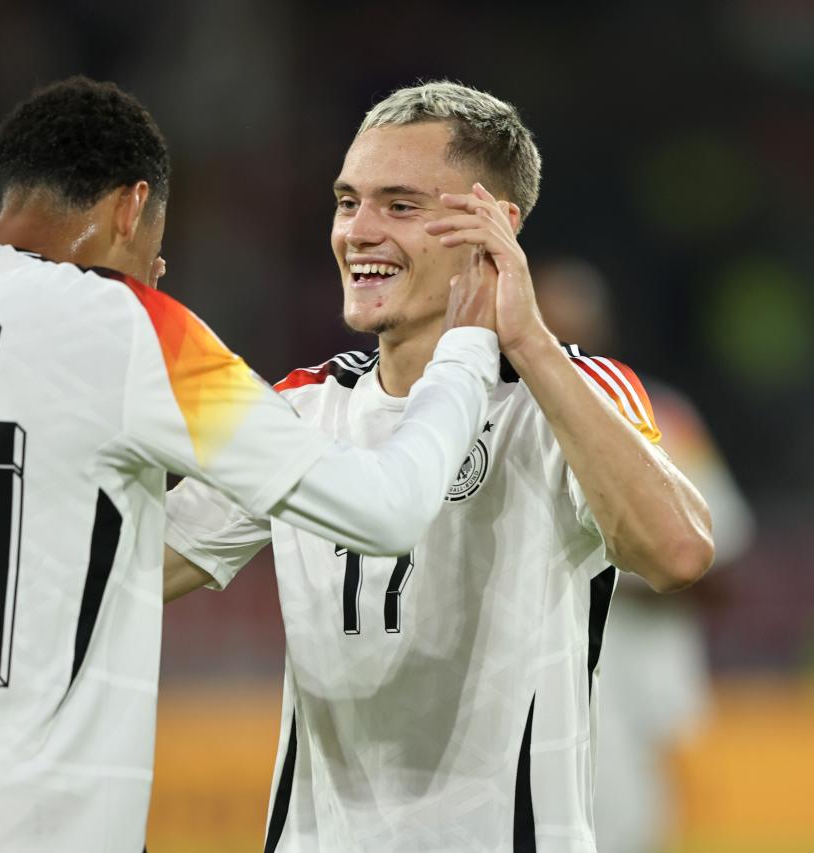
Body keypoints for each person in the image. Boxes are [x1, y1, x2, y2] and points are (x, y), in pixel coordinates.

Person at [0, 76, 504, 853]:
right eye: (155, 245)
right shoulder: (129, 325)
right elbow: (385, 508)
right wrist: (465, 352)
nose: (157, 267)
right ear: (130, 209)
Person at [162, 81, 715, 852]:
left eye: (400, 205)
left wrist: (527, 341)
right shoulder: (300, 408)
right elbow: (128, 570)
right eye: (347, 201)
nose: (358, 232)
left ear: (496, 226)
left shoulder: (575, 394)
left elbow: (678, 550)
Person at [532, 258, 754, 853]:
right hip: (533, 681)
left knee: (631, 829)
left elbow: (720, 567)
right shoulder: (486, 419)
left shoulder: (659, 416)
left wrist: (608, 568)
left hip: (636, 677)